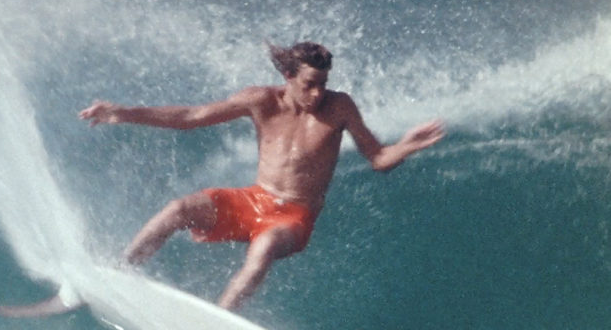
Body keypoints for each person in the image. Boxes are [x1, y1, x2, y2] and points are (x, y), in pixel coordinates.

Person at [79, 41, 445, 310]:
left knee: (265, 245)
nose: (318, 93)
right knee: (178, 209)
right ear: (288, 76)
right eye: (309, 84)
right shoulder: (260, 100)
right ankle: (118, 272)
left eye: (323, 83)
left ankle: (220, 322)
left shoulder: (340, 107)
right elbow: (191, 117)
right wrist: (124, 113)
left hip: (294, 216)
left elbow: (378, 158)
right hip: (254, 198)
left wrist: (406, 146)